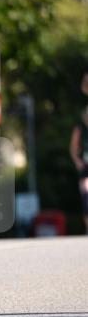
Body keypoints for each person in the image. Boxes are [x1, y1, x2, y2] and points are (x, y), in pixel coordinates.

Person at [69, 72, 88, 233]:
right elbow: (73, 148)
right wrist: (77, 161)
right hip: (85, 165)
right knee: (86, 199)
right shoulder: (80, 129)